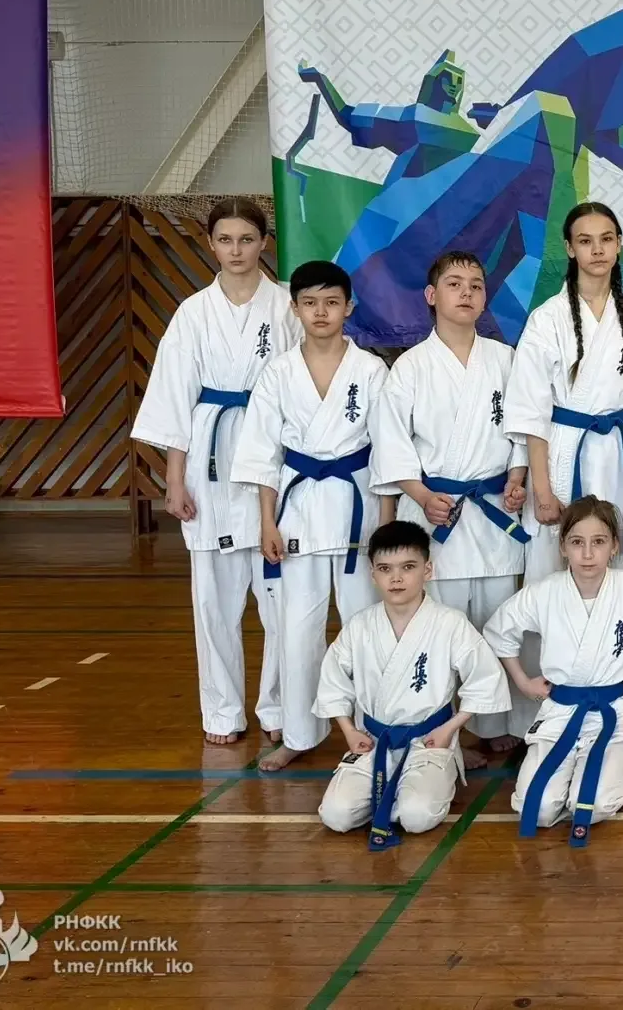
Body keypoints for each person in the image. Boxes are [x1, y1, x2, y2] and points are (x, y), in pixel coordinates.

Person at [131, 197, 299, 746]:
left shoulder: (286, 307)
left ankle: (279, 708)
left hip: (273, 454)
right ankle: (223, 711)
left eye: (246, 239)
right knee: (213, 603)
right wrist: (174, 479)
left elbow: (304, 386)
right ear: (210, 244)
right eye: (225, 240)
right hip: (210, 457)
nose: (236, 250)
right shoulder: (192, 313)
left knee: (282, 603)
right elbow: (174, 398)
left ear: (263, 243)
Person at [368, 251, 529, 763]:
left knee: (497, 622)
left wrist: (519, 477)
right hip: (436, 512)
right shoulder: (410, 367)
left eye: (476, 285)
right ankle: (440, 726)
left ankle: (495, 722)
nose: (466, 293)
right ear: (431, 295)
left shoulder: (505, 360)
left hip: (493, 510)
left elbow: (523, 429)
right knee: (439, 628)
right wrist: (420, 496)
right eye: (454, 284)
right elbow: (392, 443)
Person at [231, 259, 387, 771]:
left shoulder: (371, 371)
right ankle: (299, 733)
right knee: (297, 631)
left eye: (331, 302)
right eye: (310, 302)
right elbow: (262, 454)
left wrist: (386, 523)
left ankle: (374, 729)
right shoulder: (277, 373)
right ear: (295, 308)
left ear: (349, 308)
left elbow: (389, 450)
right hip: (297, 512)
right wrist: (266, 522)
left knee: (366, 627)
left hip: (357, 512)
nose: (321, 312)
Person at [314, 520, 510, 848]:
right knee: (335, 815)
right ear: (373, 574)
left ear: (427, 570)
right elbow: (332, 682)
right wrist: (349, 731)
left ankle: (421, 786)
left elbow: (486, 678)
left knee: (416, 817)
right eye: (385, 569)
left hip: (429, 741)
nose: (396, 578)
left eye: (408, 567)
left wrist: (450, 730)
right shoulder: (360, 626)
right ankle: (397, 791)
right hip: (373, 741)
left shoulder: (449, 623)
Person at [483, 497, 623, 846]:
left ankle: (589, 775)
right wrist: (523, 682)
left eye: (599, 542)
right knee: (537, 810)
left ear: (615, 546)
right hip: (560, 712)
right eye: (577, 542)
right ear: (563, 547)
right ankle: (568, 776)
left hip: (614, 713)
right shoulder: (545, 592)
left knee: (592, 805)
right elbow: (497, 632)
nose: (588, 554)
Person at [505, 202, 623, 579]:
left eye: (606, 239)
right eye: (586, 241)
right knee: (553, 565)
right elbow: (531, 411)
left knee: (613, 563)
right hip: (562, 452)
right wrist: (542, 490)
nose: (597, 250)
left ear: (619, 244)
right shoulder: (547, 319)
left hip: (616, 458)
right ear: (570, 248)